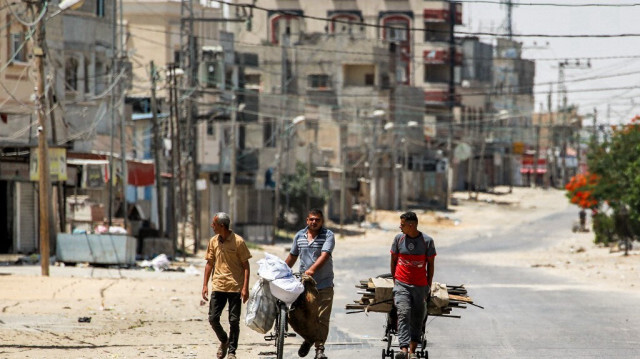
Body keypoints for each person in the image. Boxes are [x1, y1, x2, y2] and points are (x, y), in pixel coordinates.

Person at [285, 208, 335, 359]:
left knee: (322, 318)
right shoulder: (299, 236)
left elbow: (324, 256)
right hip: (304, 286)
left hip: (324, 284)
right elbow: (292, 256)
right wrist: (280, 271)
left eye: (317, 220)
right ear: (307, 220)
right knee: (297, 315)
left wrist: (311, 270)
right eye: (311, 219)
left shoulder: (328, 235)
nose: (314, 222)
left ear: (322, 221)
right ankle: (309, 339)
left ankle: (319, 349)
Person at [202, 212, 252, 359]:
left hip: (235, 286)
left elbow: (246, 266)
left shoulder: (238, 242)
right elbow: (209, 263)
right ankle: (224, 340)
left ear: (222, 226)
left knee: (234, 321)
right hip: (218, 285)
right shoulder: (213, 241)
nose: (212, 226)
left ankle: (232, 352)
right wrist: (204, 285)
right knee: (213, 318)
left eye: (214, 224)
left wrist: (245, 288)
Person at [390, 211, 436, 359]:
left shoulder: (427, 241)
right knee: (403, 314)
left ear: (411, 225)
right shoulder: (398, 239)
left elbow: (430, 265)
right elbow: (393, 260)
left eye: (402, 224)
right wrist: (396, 281)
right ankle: (403, 349)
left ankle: (412, 352)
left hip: (420, 287)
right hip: (401, 285)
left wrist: (427, 286)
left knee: (417, 317)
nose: (400, 227)